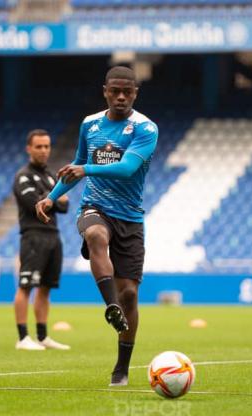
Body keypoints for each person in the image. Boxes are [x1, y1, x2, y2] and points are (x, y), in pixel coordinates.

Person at [36, 66, 158, 386]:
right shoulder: (90, 124)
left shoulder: (146, 128)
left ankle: (121, 367)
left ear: (135, 93)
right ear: (105, 90)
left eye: (127, 92)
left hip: (130, 218)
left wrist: (84, 169)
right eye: (115, 90)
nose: (120, 96)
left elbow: (128, 168)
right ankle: (111, 305)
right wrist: (51, 198)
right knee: (94, 234)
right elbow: (74, 167)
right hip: (95, 207)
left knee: (130, 293)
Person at [12, 129, 71, 351]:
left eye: (47, 146)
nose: (44, 150)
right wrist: (52, 198)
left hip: (53, 235)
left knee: (46, 287)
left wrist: (48, 199)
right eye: (39, 146)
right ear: (29, 148)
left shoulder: (50, 176)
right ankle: (22, 337)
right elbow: (32, 204)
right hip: (33, 235)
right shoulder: (23, 176)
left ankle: (43, 336)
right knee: (26, 285)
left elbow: (65, 206)